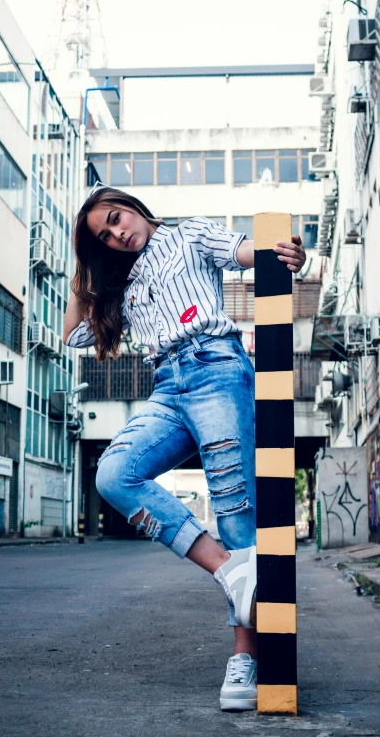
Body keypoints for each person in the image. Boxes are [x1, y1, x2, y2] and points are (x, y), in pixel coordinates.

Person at [63, 186, 306, 711]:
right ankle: (225, 567)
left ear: (132, 206)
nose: (118, 234)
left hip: (215, 367)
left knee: (237, 511)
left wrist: (282, 252)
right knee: (113, 474)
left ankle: (246, 657)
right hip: (166, 387)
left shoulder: (188, 234)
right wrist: (86, 264)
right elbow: (75, 336)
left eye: (116, 218)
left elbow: (244, 250)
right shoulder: (121, 284)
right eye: (106, 235)